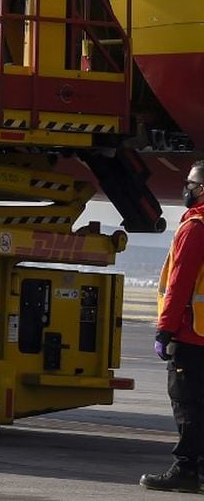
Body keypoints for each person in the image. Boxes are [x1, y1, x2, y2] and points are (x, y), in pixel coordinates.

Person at [142, 161, 204, 492]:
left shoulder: (195, 226)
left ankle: (187, 470)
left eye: (189, 184)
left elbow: (180, 283)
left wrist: (164, 329)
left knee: (187, 403)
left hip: (192, 332)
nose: (186, 190)